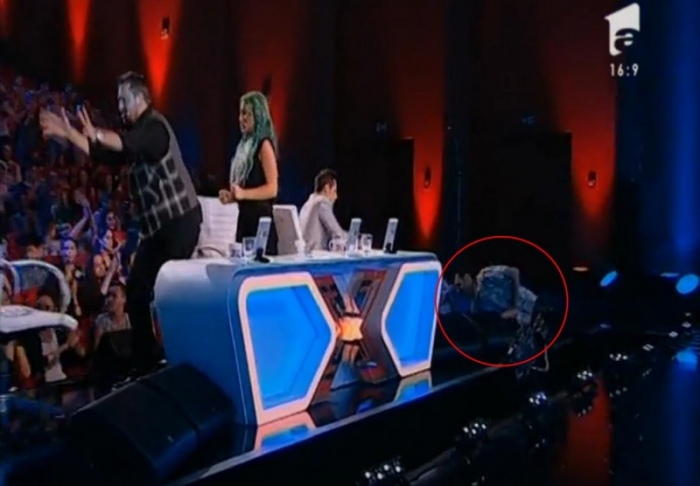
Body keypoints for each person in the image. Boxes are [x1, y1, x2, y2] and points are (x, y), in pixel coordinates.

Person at [39, 71, 201, 376]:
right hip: (157, 230)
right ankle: (148, 362)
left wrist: (97, 133)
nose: (120, 107)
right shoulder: (135, 136)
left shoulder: (155, 128)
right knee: (136, 291)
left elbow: (121, 142)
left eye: (124, 100)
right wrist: (69, 133)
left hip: (179, 223)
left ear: (140, 98)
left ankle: (179, 355)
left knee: (166, 290)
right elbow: (102, 152)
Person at [219, 91, 278, 255]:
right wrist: (233, 197)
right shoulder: (244, 146)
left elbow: (272, 188)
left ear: (257, 115)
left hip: (261, 225)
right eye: (240, 113)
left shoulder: (264, 145)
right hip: (245, 221)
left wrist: (243, 194)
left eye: (246, 113)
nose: (241, 118)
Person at [299, 169, 346, 252]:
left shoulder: (307, 204)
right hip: (317, 255)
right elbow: (338, 234)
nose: (336, 197)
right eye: (334, 191)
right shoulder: (322, 203)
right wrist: (356, 239)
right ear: (327, 188)